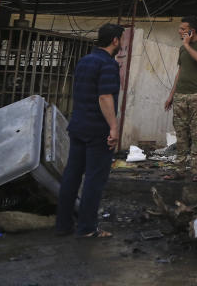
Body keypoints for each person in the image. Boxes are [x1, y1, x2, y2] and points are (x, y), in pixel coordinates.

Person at [55, 23, 124, 238]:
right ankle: (87, 228)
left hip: (78, 126)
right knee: (94, 179)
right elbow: (104, 97)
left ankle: (63, 225)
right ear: (115, 40)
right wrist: (113, 127)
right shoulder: (108, 64)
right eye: (120, 39)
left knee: (71, 176)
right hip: (97, 130)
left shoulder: (85, 61)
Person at [164, 16, 197, 181]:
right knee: (181, 134)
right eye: (180, 29)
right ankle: (180, 170)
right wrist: (171, 95)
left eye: (183, 29)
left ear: (192, 30)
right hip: (180, 96)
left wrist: (187, 44)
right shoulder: (182, 49)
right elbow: (180, 72)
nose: (180, 32)